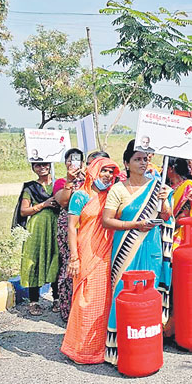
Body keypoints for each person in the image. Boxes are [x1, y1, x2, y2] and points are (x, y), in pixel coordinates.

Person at [100, 140, 172, 366]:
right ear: (127, 163)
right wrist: (134, 225)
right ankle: (119, 350)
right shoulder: (118, 189)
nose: (143, 163)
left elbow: (167, 217)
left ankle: (147, 347)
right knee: (122, 295)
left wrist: (163, 201)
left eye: (146, 159)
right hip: (125, 251)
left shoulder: (158, 186)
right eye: (138, 159)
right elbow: (107, 221)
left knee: (149, 296)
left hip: (151, 248)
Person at [60, 156, 122, 364]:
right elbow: (71, 227)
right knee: (84, 299)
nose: (107, 175)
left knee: (103, 300)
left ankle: (98, 348)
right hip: (85, 252)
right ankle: (81, 349)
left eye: (111, 172)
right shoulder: (81, 196)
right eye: (104, 170)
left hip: (105, 253)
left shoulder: (112, 196)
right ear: (93, 171)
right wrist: (74, 257)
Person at [13, 160, 59, 315]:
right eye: (38, 165)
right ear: (33, 168)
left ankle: (57, 299)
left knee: (56, 259)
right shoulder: (30, 187)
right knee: (34, 261)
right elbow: (23, 211)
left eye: (45, 164)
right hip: (36, 230)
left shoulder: (60, 184)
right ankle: (34, 301)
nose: (42, 167)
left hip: (56, 227)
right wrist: (43, 204)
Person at [51, 147, 84, 322]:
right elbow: (63, 201)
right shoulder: (61, 182)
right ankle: (68, 310)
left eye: (77, 159)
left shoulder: (88, 181)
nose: (73, 163)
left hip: (86, 226)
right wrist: (70, 182)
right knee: (69, 264)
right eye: (70, 160)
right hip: (68, 226)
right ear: (65, 163)